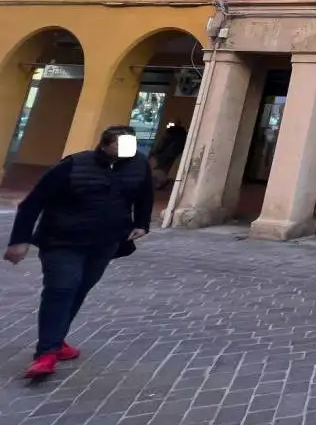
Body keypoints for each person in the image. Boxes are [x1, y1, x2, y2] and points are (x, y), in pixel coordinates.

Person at [3, 125, 152, 379]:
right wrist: (20, 240)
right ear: (105, 145)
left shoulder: (138, 164)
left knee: (80, 288)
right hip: (62, 240)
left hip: (105, 241)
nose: (129, 151)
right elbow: (33, 202)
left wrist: (141, 223)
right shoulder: (73, 165)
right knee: (62, 288)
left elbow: (144, 194)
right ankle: (46, 353)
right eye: (122, 146)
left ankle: (57, 339)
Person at [148, 120, 187, 190]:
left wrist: (154, 152)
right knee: (164, 169)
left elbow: (161, 144)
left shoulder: (169, 133)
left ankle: (158, 182)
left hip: (162, 154)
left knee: (153, 167)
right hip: (173, 154)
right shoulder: (182, 134)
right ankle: (161, 182)